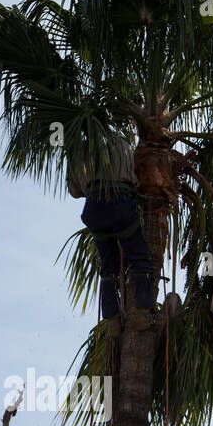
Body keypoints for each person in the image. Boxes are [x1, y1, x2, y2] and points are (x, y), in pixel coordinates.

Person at [67, 133, 158, 333]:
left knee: (108, 266)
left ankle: (112, 319)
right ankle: (143, 311)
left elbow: (74, 191)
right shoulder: (122, 142)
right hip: (121, 202)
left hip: (93, 208)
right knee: (139, 258)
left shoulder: (79, 149)